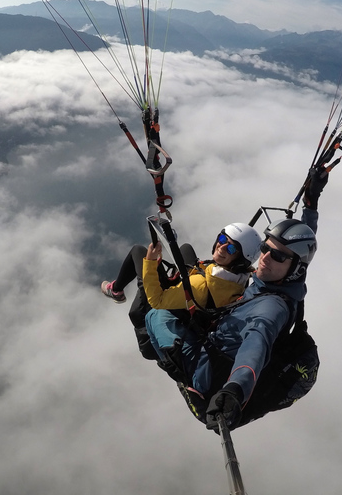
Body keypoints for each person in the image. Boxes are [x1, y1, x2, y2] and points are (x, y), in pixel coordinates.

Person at [145, 166, 329, 430]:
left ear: (294, 266)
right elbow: (305, 242)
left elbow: (255, 347)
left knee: (153, 315)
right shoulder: (291, 278)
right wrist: (312, 200)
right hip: (220, 345)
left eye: (277, 256)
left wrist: (234, 390)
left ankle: (166, 360)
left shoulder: (270, 309)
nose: (264, 258)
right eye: (266, 248)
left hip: (208, 375)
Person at [100, 223, 262, 359]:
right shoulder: (242, 278)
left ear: (240, 260)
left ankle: (116, 291)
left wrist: (150, 261)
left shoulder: (199, 287)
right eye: (222, 239)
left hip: (153, 327)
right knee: (185, 249)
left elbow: (156, 300)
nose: (222, 247)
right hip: (193, 310)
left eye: (232, 249)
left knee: (138, 251)